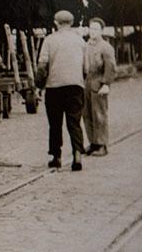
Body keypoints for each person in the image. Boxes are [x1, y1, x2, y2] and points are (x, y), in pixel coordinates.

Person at [36, 10, 87, 171]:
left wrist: (39, 85)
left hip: (54, 87)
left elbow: (42, 66)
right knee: (74, 122)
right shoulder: (80, 41)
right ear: (71, 23)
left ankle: (55, 156)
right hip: (75, 86)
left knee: (55, 123)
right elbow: (86, 67)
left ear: (56, 23)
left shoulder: (49, 40)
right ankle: (77, 155)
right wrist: (80, 79)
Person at [83, 17, 115, 156]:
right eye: (91, 28)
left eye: (96, 29)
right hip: (86, 83)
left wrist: (106, 83)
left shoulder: (106, 47)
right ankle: (93, 142)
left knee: (99, 114)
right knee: (87, 113)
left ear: (101, 30)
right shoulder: (85, 45)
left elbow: (110, 66)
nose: (93, 31)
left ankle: (102, 144)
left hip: (98, 82)